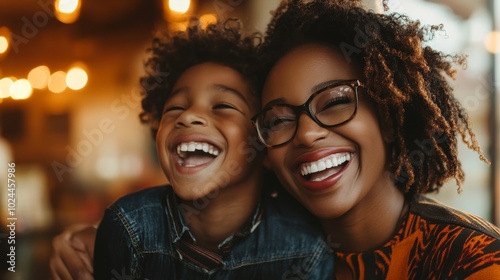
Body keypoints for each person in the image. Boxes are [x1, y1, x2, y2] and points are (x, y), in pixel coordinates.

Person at [53, 18, 333, 280]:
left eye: (223, 106)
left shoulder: (304, 246)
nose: (187, 117)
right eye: (175, 107)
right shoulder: (128, 228)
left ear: (265, 139)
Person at [251, 0, 500, 279]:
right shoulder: (258, 261)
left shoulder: (475, 258)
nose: (307, 133)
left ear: (389, 118)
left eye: (335, 102)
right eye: (279, 120)